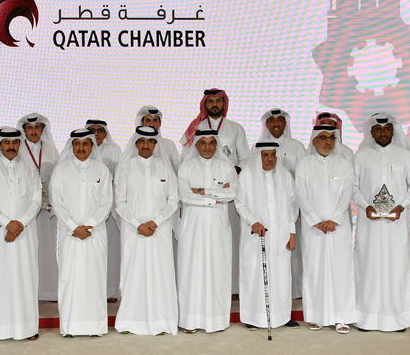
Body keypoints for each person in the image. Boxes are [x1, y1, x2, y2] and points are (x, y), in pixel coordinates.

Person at [353, 113, 410, 332]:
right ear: (371, 132)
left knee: (396, 267)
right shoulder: (361, 156)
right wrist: (366, 206)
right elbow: (353, 186)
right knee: (368, 267)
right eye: (378, 130)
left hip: (396, 222)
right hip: (369, 224)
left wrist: (401, 205)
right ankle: (365, 318)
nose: (382, 133)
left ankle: (396, 319)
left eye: (386, 129)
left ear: (393, 131)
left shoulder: (405, 156)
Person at [114, 126, 179, 335]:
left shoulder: (164, 168)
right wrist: (137, 224)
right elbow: (120, 202)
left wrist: (157, 222)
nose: (145, 145)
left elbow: (173, 200)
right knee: (134, 274)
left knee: (161, 273)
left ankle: (162, 321)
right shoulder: (126, 168)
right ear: (135, 144)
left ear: (155, 144)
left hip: (159, 231)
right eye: (141, 141)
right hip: (134, 232)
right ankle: (131, 321)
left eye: (149, 142)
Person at [0, 127, 42, 341]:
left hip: (24, 233)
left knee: (26, 277)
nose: (11, 146)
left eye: (15, 142)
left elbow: (36, 199)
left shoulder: (29, 167)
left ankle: (27, 328)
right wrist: (7, 223)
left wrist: (20, 224)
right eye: (7, 143)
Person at [51, 129, 113, 337]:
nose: (81, 148)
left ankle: (95, 326)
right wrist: (73, 226)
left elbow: (107, 201)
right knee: (70, 277)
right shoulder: (61, 170)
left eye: (85, 144)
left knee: (94, 277)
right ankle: (70, 326)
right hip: (70, 234)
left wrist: (91, 225)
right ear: (72, 146)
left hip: (96, 233)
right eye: (77, 144)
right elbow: (56, 202)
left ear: (92, 146)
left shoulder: (101, 170)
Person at [296, 125, 356, 333]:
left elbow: (346, 195)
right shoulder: (304, 164)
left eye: (331, 137)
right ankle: (315, 316)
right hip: (313, 228)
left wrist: (335, 219)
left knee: (341, 270)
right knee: (314, 270)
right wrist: (315, 220)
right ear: (314, 141)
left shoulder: (344, 163)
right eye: (323, 138)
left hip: (338, 227)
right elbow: (301, 195)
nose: (328, 142)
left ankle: (342, 317)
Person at [176, 129, 237, 333]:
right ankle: (189, 320)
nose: (208, 147)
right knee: (191, 271)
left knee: (217, 270)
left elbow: (232, 193)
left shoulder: (226, 166)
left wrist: (201, 191)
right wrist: (215, 197)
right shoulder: (186, 167)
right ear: (196, 145)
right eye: (203, 143)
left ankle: (216, 320)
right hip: (193, 228)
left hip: (218, 228)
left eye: (212, 143)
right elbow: (185, 196)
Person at [235, 141, 298, 331]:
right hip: (255, 234)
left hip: (280, 236)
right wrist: (253, 221)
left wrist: (292, 232)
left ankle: (282, 316)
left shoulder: (285, 175)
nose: (270, 159)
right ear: (258, 156)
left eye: (273, 155)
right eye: (265, 155)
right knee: (254, 274)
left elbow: (292, 205)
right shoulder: (247, 175)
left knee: (281, 275)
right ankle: (253, 317)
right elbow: (239, 203)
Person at [258, 108, 306, 299]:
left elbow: (304, 178)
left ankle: (294, 291)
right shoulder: (258, 146)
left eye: (280, 120)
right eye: (272, 120)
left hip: (291, 208)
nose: (276, 123)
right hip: (266, 210)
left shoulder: (297, 146)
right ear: (266, 124)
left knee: (291, 249)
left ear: (286, 123)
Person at [16, 113, 60, 302]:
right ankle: (27, 291)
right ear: (24, 130)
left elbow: (58, 178)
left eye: (37, 128)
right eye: (30, 128)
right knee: (26, 247)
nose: (33, 131)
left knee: (47, 247)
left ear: (42, 130)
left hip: (47, 208)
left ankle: (49, 290)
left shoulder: (51, 150)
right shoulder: (17, 149)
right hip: (24, 208)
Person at [87, 118, 122, 302]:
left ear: (105, 133)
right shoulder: (84, 149)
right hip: (88, 210)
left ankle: (110, 291)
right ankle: (93, 289)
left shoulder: (113, 151)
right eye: (92, 130)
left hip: (111, 210)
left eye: (100, 130)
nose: (96, 133)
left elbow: (120, 179)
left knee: (112, 251)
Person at [136, 106, 181, 172]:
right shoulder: (135, 146)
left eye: (155, 120)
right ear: (142, 123)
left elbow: (178, 169)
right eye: (148, 120)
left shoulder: (169, 144)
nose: (152, 124)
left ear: (160, 123)